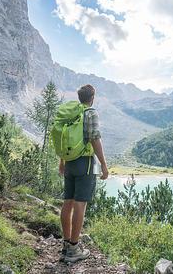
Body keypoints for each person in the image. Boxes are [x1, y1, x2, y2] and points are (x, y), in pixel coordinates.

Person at [59, 84, 109, 263]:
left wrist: (62, 161)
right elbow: (95, 138)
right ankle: (74, 248)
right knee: (80, 205)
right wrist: (103, 164)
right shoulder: (90, 113)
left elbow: (64, 140)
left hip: (70, 162)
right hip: (85, 163)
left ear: (79, 97)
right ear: (92, 97)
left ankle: (66, 245)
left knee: (68, 202)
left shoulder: (72, 114)